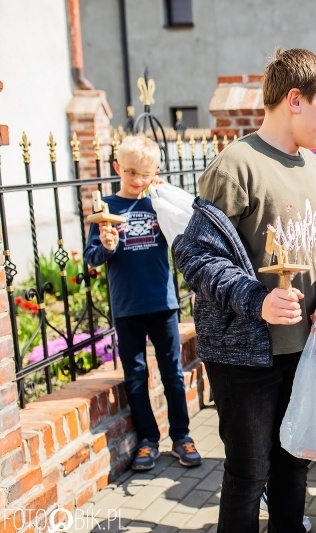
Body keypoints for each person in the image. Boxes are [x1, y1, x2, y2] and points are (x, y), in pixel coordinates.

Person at [172, 47, 316, 533]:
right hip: (244, 358)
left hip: (301, 348)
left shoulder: (313, 166)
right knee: (248, 475)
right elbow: (194, 256)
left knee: (295, 463)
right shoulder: (235, 165)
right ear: (295, 99)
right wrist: (257, 300)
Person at [84, 134, 202, 473]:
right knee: (136, 375)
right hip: (127, 306)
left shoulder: (157, 203)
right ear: (117, 167)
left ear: (156, 173)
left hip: (162, 302)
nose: (137, 180)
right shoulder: (105, 208)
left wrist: (166, 193)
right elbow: (92, 257)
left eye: (145, 174)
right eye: (131, 172)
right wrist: (107, 246)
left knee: (172, 373)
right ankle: (148, 440)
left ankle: (181, 436)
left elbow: (188, 222)